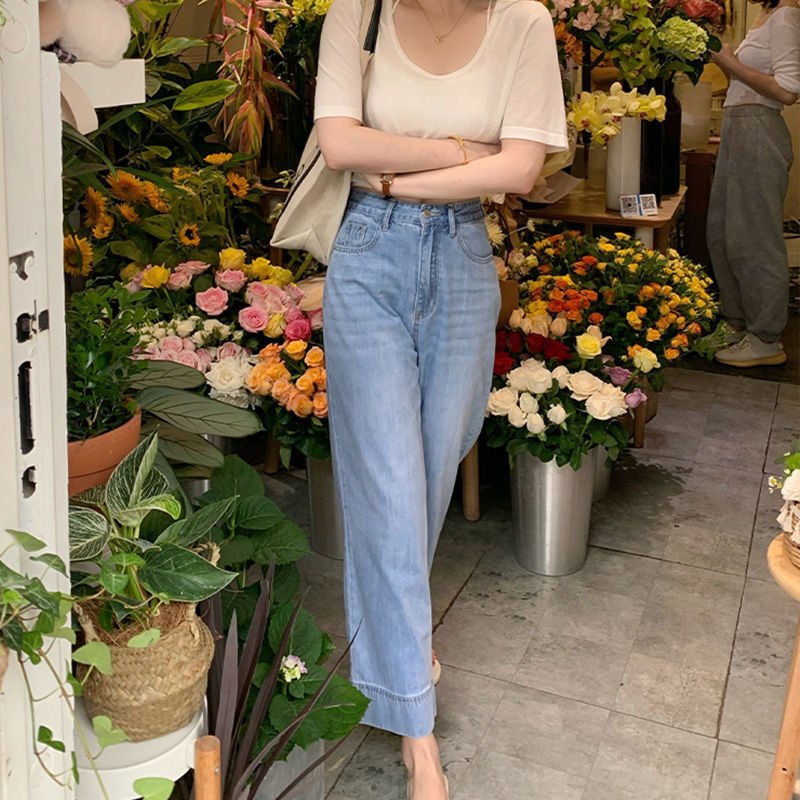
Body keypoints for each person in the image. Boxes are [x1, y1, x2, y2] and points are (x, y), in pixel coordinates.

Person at [313, 0, 568, 795]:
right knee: (388, 486)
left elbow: (521, 170)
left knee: (425, 478)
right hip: (366, 252)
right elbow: (338, 145)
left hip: (461, 257)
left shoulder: (523, 21)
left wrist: (397, 170)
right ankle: (416, 729)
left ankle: (401, 650)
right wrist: (462, 153)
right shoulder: (357, 10)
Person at [706, 0, 800, 367]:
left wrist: (730, 63)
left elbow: (788, 90)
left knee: (755, 236)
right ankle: (738, 322)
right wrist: (727, 64)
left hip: (759, 128)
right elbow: (748, 82)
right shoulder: (766, 15)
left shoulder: (787, 14)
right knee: (723, 231)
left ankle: (765, 338)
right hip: (739, 126)